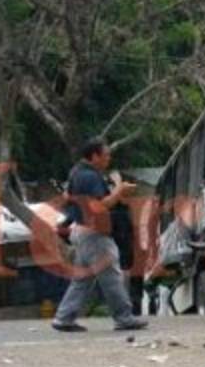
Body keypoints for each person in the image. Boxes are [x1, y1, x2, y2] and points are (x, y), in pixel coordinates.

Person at [52, 139, 148, 333]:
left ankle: (64, 317)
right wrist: (119, 190)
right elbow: (100, 206)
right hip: (95, 233)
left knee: (83, 279)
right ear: (94, 156)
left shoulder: (77, 173)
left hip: (83, 231)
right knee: (112, 276)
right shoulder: (88, 176)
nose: (108, 159)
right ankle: (124, 317)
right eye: (105, 155)